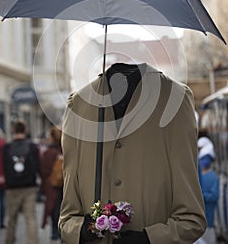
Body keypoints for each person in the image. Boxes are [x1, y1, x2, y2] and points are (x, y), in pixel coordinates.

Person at [59, 63, 206, 244]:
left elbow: (192, 219)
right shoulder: (79, 104)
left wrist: (149, 239)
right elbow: (67, 219)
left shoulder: (175, 99)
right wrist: (81, 229)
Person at [3, 119, 40, 244]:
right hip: (29, 187)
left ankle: (9, 240)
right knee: (30, 218)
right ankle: (32, 241)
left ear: (13, 130)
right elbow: (36, 165)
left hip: (12, 188)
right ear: (26, 130)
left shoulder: (7, 147)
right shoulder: (32, 146)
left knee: (11, 219)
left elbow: (4, 167)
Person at [40, 125, 63, 243]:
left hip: (51, 184)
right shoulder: (63, 151)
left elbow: (43, 170)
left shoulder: (49, 152)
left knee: (53, 208)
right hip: (64, 184)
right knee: (61, 208)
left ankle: (54, 232)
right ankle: (61, 232)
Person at [194, 138, 219, 244]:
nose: (204, 161)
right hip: (198, 221)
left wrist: (201, 196)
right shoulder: (198, 175)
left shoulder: (213, 177)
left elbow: (214, 196)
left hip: (209, 222)